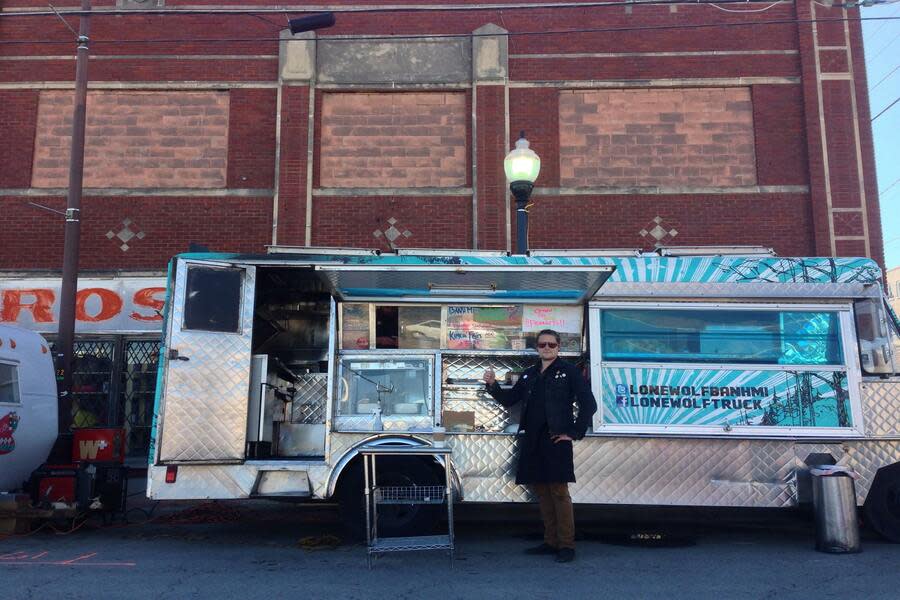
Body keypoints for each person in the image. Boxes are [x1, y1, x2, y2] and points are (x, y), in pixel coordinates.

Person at [483, 329, 597, 563]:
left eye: (551, 345)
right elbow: (509, 400)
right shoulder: (530, 374)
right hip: (533, 439)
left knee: (559, 492)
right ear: (537, 347)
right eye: (542, 345)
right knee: (542, 493)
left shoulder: (569, 372)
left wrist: (574, 433)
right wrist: (492, 385)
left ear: (558, 347)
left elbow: (589, 405)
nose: (547, 348)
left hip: (556, 439)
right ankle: (550, 541)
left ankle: (566, 545)